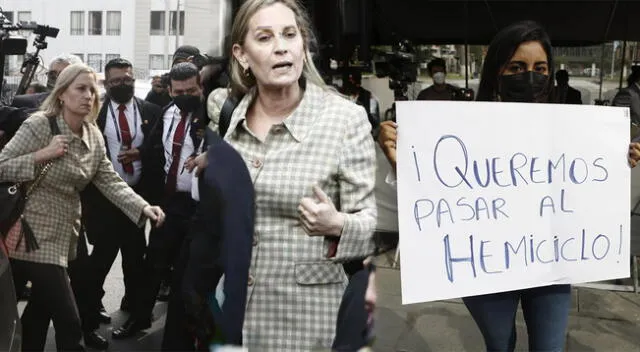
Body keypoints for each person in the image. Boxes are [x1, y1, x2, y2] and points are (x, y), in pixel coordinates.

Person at [378, 20, 640, 352]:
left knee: (549, 347)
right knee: (500, 346)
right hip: (485, 267)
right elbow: (435, 192)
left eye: (539, 68)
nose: (530, 76)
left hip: (550, 262)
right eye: (517, 66)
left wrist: (618, 161)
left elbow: (588, 184)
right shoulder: (460, 127)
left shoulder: (574, 130)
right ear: (496, 70)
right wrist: (401, 161)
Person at [201, 0, 377, 350]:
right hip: (233, 319)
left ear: (302, 44)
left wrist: (338, 224)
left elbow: (373, 224)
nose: (281, 46)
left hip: (307, 323)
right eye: (264, 38)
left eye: (289, 34)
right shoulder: (228, 120)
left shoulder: (345, 120)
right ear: (242, 54)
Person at [0, 62, 165, 351]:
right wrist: (42, 154)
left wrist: (142, 207)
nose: (88, 95)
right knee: (69, 320)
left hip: (66, 235)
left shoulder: (92, 134)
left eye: (92, 89)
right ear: (62, 93)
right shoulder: (40, 124)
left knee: (40, 313)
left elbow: (109, 180)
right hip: (33, 234)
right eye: (80, 88)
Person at [112, 62, 206, 340]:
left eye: (191, 89)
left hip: (200, 206)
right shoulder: (167, 113)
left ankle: (183, 333)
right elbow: (154, 149)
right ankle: (139, 318)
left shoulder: (213, 115)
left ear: (200, 86)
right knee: (153, 263)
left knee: (186, 274)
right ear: (171, 91)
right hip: (170, 202)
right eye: (179, 91)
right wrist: (137, 154)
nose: (185, 95)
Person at [79, 58, 164, 342]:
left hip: (137, 198)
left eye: (127, 79)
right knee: (99, 260)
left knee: (135, 260)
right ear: (106, 83)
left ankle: (135, 312)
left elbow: (160, 151)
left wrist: (141, 154)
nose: (122, 84)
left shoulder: (151, 111)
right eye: (115, 81)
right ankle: (88, 313)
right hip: (103, 201)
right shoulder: (93, 113)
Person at [11, 54, 83, 111]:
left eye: (63, 73)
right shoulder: (23, 102)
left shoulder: (87, 103)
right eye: (52, 74)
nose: (56, 77)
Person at [341, 68, 381, 138]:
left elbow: (375, 122)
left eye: (351, 81)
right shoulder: (339, 96)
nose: (347, 84)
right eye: (346, 81)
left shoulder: (369, 98)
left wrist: (363, 111)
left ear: (358, 83)